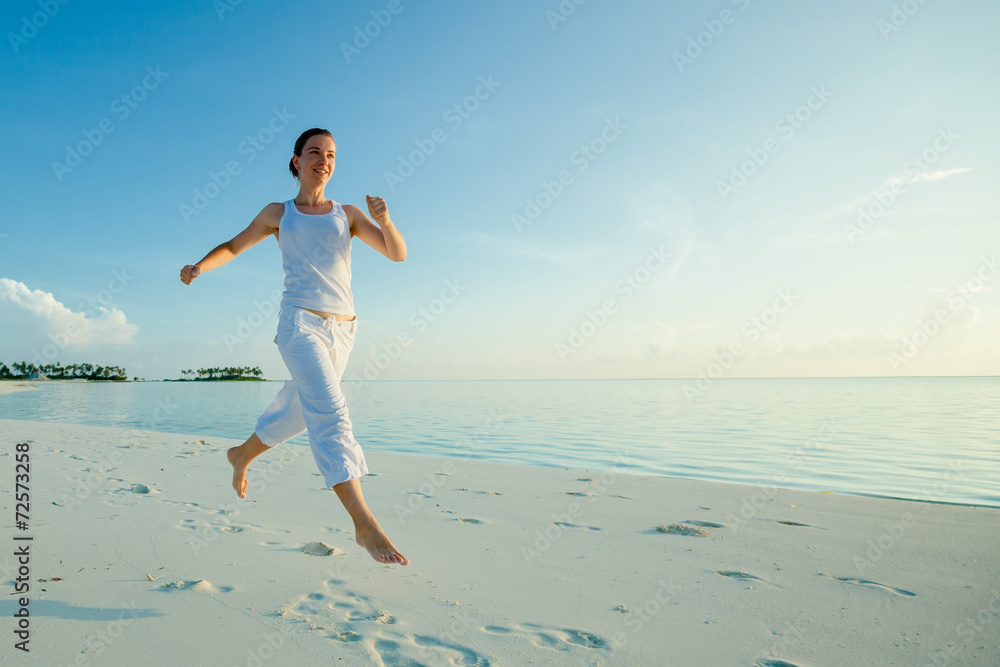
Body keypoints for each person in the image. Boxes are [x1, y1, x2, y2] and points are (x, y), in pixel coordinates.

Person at [179, 127, 408, 566]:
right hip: (298, 324)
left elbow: (396, 254)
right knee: (331, 411)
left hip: (343, 331)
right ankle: (364, 524)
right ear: (296, 161)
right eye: (315, 152)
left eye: (332, 155)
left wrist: (386, 220)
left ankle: (241, 455)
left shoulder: (349, 214)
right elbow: (233, 245)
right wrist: (200, 267)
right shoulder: (279, 213)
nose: (324, 160)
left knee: (301, 412)